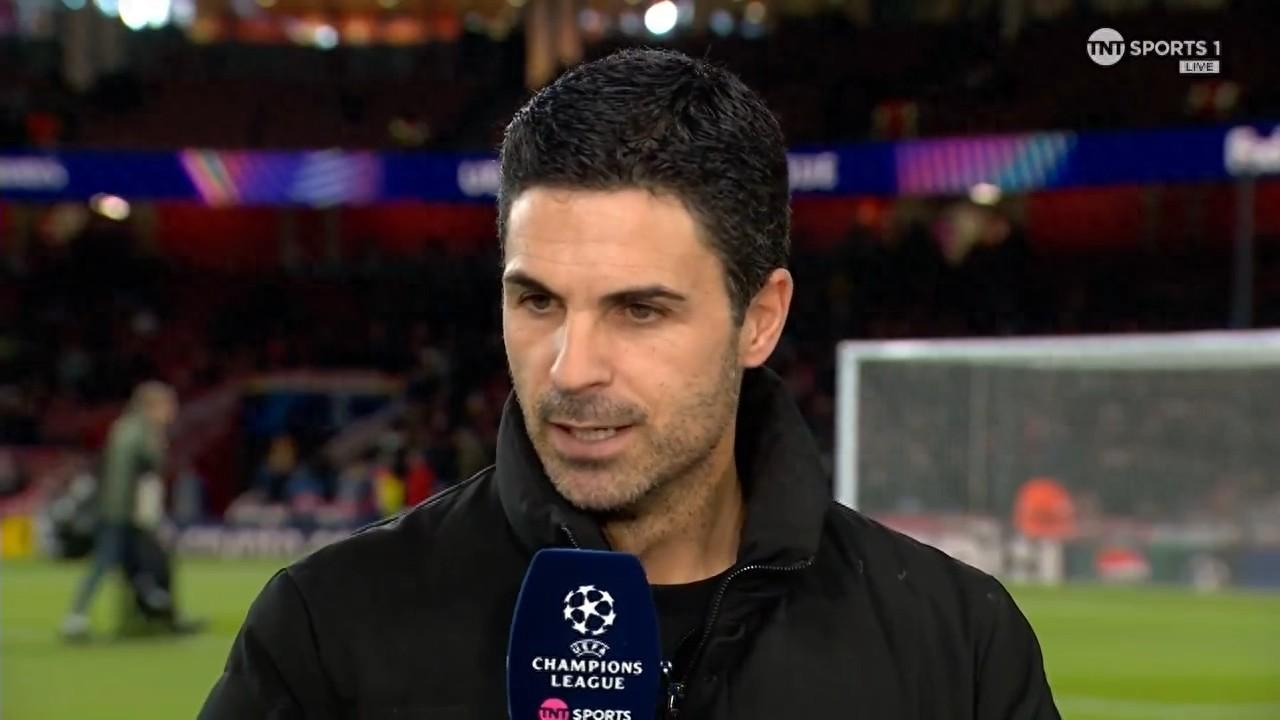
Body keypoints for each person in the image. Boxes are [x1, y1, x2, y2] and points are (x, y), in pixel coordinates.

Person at [200, 49, 1059, 719]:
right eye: (537, 301)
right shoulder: (327, 631)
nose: (571, 369)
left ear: (760, 319)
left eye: (640, 310)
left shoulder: (958, 645)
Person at [61, 380, 202, 641]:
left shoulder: (134, 429)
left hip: (125, 511)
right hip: (122, 514)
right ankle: (76, 617)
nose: (172, 411)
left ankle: (154, 615)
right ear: (152, 406)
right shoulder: (136, 433)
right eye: (168, 405)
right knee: (108, 563)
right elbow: (128, 475)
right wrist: (127, 514)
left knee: (138, 567)